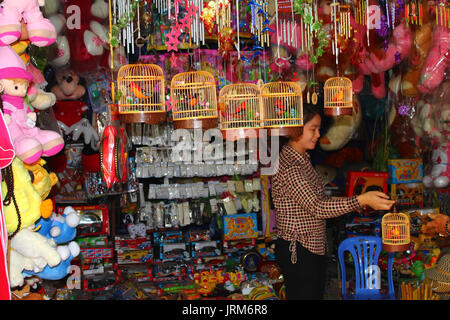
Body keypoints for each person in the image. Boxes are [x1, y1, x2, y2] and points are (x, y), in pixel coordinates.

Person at [271, 105, 395, 300]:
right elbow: (318, 207)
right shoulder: (290, 167)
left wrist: (363, 201)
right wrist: (361, 199)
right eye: (313, 129)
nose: (318, 134)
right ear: (295, 128)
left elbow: (320, 200)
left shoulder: (303, 159)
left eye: (319, 128)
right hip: (299, 249)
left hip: (311, 246)